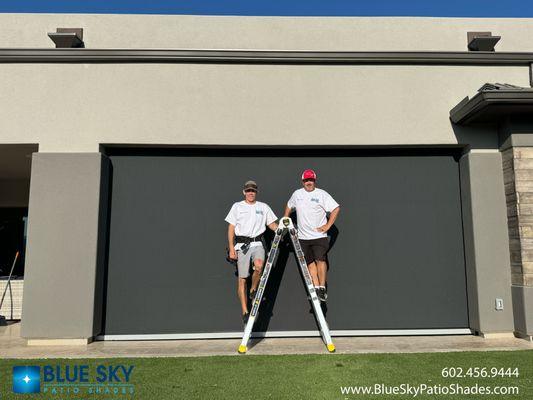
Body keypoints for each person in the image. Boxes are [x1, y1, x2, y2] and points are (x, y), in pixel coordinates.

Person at [225, 180, 278, 325]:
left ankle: (253, 288)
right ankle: (245, 311)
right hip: (242, 245)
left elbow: (272, 225)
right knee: (242, 279)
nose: (250, 193)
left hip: (257, 243)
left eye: (253, 191)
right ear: (244, 192)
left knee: (259, 266)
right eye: (248, 190)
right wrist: (231, 248)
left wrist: (284, 228)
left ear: (257, 192)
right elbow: (231, 228)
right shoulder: (237, 206)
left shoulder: (263, 207)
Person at [284, 169, 340, 302]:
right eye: (306, 180)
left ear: (314, 180)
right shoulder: (297, 194)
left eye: (311, 180)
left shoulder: (322, 194)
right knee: (309, 263)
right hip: (303, 237)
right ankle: (315, 288)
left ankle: (321, 287)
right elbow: (288, 205)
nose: (309, 182)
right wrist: (285, 220)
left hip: (319, 236)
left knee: (320, 260)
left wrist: (328, 226)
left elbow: (336, 208)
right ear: (302, 181)